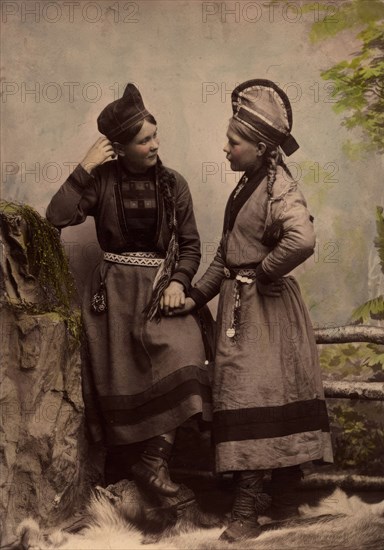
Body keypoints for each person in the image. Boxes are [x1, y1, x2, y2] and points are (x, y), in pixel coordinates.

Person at [172, 79, 333, 541]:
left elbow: (301, 239)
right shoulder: (250, 184)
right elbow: (226, 253)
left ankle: (251, 510)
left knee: (256, 398)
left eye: (233, 141)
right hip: (245, 309)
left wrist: (263, 274)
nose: (225, 148)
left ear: (261, 147)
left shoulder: (279, 186)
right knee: (252, 395)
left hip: (266, 313)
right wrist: (196, 296)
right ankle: (280, 502)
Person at [46, 83, 212, 497]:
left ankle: (153, 462)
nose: (156, 145)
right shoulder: (100, 182)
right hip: (114, 299)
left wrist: (178, 281)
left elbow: (190, 245)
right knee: (121, 383)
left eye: (155, 135)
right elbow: (56, 215)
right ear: (119, 149)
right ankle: (126, 479)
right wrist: (84, 166)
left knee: (186, 355)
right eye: (145, 140)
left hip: (161, 293)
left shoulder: (174, 184)